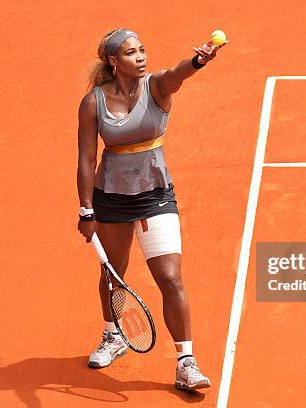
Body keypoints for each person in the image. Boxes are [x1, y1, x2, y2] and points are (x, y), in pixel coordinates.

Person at [76, 28, 227, 391]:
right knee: (113, 276)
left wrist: (197, 62)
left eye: (143, 49)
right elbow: (86, 158)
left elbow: (177, 73)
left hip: (155, 195)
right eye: (131, 52)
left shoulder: (157, 86)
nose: (141, 56)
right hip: (110, 197)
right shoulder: (93, 102)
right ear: (114, 61)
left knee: (171, 279)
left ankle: (185, 362)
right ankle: (113, 336)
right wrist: (85, 209)